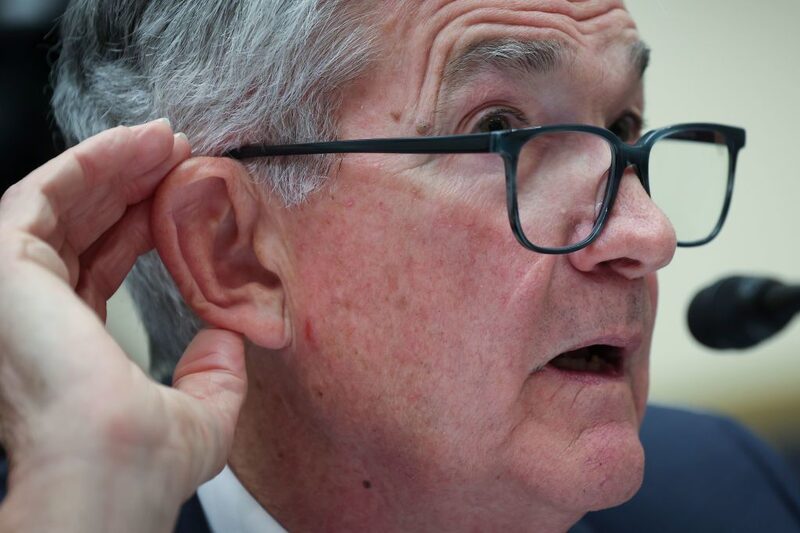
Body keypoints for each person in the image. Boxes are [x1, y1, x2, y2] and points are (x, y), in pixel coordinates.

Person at [0, 1, 798, 532]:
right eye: (502, 132)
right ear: (235, 255)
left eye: (623, 120)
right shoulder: (74, 511)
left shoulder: (736, 494)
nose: (646, 231)